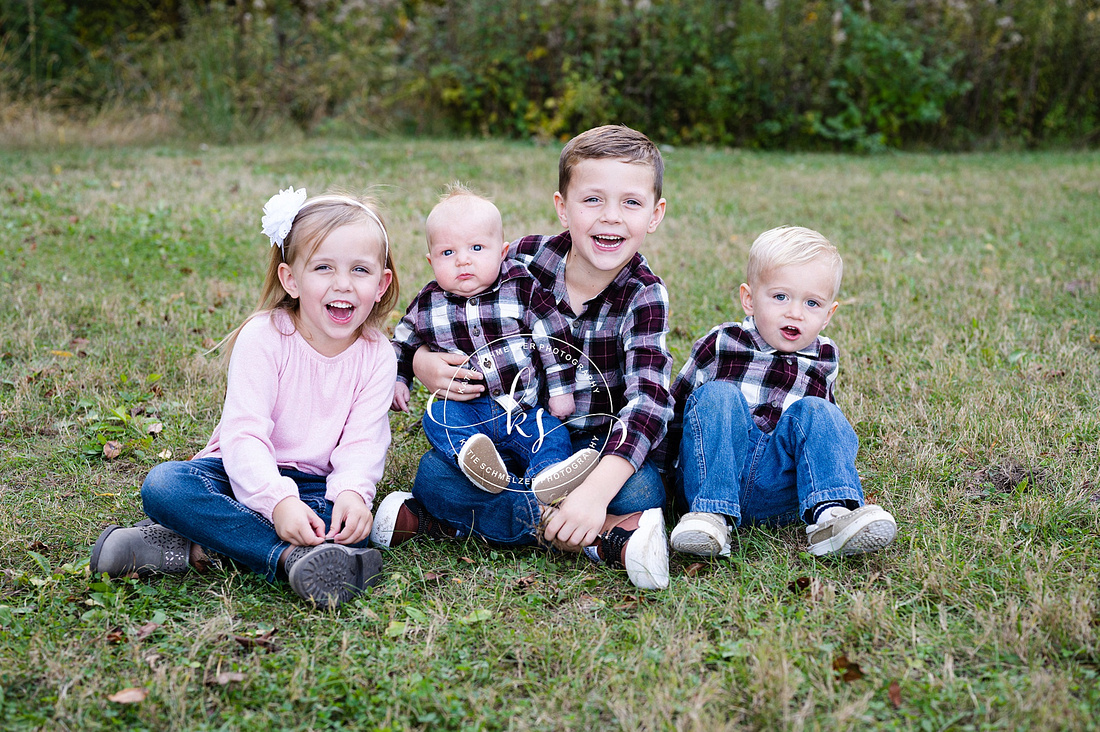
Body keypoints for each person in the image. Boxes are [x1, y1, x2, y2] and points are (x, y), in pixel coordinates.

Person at [372, 125, 674, 590]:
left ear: (654, 215)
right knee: (433, 473)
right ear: (562, 207)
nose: (610, 217)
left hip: (594, 451)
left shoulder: (645, 296)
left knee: (644, 489)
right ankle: (601, 537)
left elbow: (649, 402)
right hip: (513, 439)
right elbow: (450, 308)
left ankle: (455, 524)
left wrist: (593, 494)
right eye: (592, 200)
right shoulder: (524, 260)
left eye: (630, 203)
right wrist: (419, 363)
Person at [89, 187, 400, 610]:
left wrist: (351, 494)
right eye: (323, 267)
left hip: (315, 487)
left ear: (381, 284)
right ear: (291, 278)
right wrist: (277, 503)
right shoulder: (266, 336)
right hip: (236, 474)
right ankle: (288, 557)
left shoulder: (378, 355)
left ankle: (193, 548)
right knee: (165, 485)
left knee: (350, 527)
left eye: (360, 270)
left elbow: (364, 440)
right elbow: (244, 435)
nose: (342, 283)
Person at [665, 225, 896, 559]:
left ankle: (832, 517)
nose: (795, 312)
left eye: (812, 303)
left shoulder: (825, 357)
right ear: (749, 299)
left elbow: (821, 438)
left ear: (829, 314)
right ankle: (710, 517)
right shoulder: (722, 342)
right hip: (713, 468)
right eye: (780, 297)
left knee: (819, 411)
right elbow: (676, 409)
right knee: (718, 396)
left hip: (777, 487)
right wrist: (659, 480)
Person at [391, 185, 599, 504]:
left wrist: (560, 390)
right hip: (468, 410)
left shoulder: (520, 288)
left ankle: (546, 476)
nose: (463, 261)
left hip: (525, 410)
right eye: (448, 253)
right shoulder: (427, 304)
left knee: (553, 435)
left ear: (501, 253)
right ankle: (476, 459)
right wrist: (398, 378)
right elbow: (401, 343)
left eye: (476, 248)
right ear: (431, 261)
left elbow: (552, 335)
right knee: (437, 416)